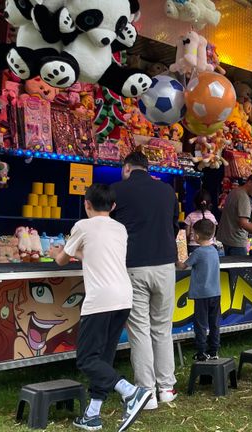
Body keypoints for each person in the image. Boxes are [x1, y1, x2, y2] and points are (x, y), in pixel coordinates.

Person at [52, 184, 153, 432]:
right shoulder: (120, 229)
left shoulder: (82, 226)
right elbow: (100, 256)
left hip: (100, 300)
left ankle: (131, 393)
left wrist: (59, 251)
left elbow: (61, 260)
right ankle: (92, 414)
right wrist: (81, 254)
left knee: (87, 358)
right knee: (103, 357)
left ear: (86, 203)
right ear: (114, 206)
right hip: (123, 297)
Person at [111, 152, 179, 409]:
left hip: (134, 265)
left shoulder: (117, 190)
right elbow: (175, 227)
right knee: (162, 327)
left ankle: (146, 391)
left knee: (139, 329)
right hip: (165, 265)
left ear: (127, 167)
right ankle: (167, 388)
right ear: (147, 167)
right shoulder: (166, 191)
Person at [176, 219, 221, 361]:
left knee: (201, 324)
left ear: (196, 236)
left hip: (202, 295)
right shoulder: (214, 250)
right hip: (215, 293)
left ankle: (201, 351)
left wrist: (175, 258)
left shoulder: (198, 252)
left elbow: (183, 266)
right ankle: (214, 350)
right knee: (214, 324)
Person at [217, 173, 252, 256]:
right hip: (236, 242)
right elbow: (244, 223)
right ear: (249, 182)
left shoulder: (234, 192)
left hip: (226, 239)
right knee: (239, 268)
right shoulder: (243, 197)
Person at [184, 190, 218, 254]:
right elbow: (213, 234)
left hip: (193, 246)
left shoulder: (190, 216)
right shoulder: (212, 216)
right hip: (210, 246)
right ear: (209, 204)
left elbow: (187, 234)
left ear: (194, 203)